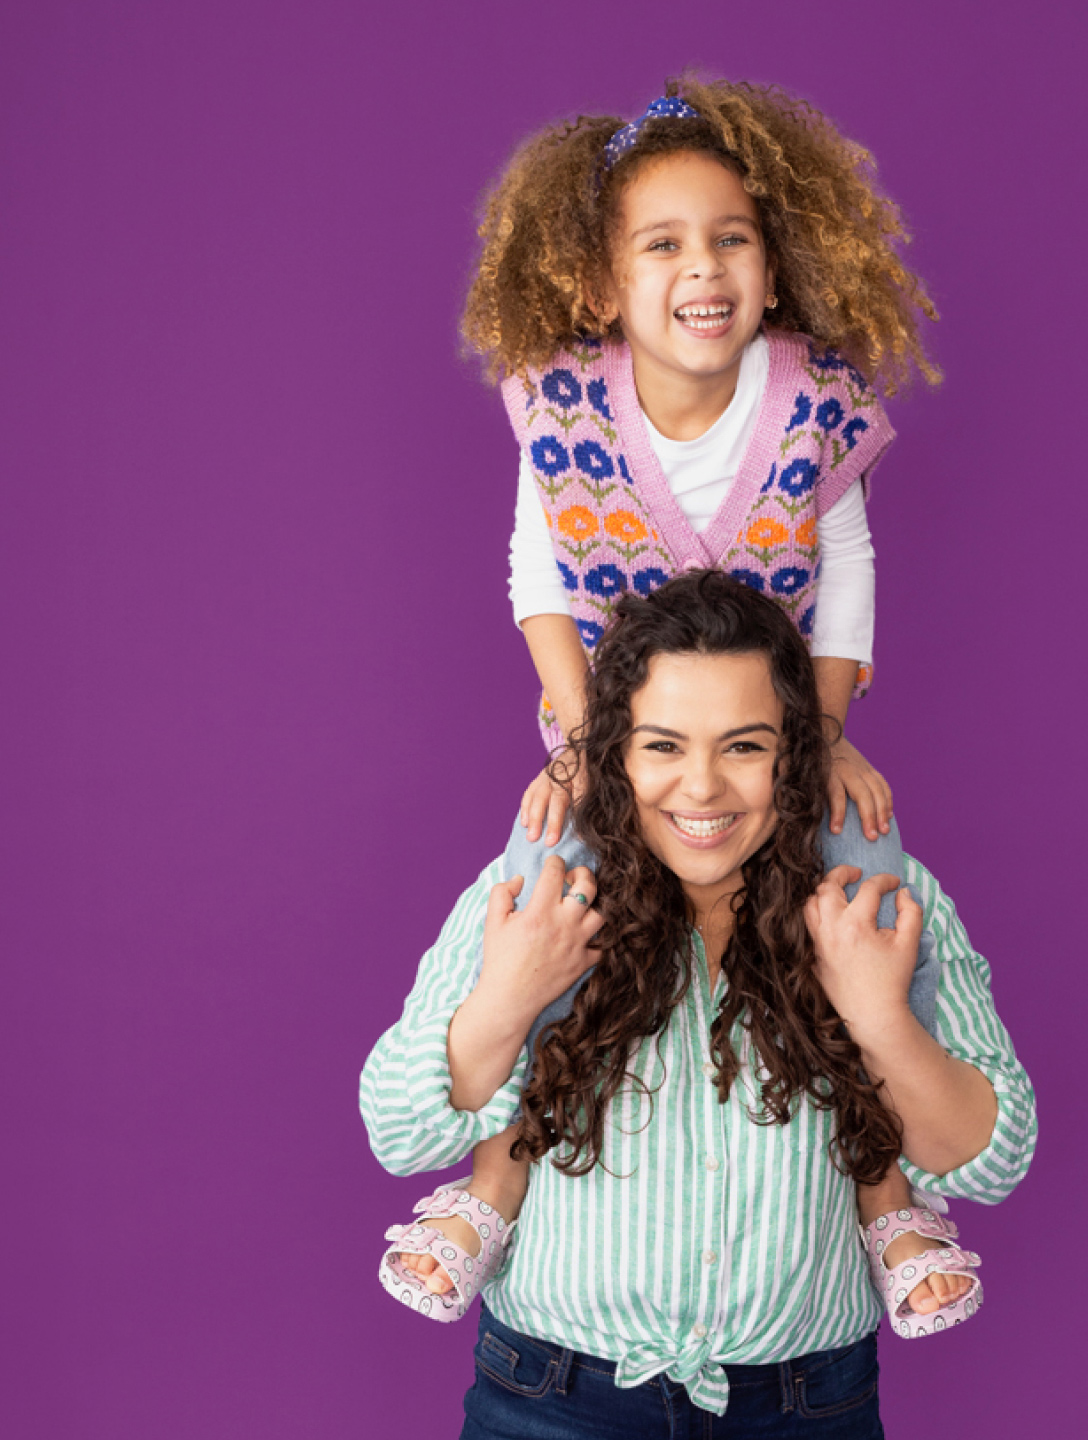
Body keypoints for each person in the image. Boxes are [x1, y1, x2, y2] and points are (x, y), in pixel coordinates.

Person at [376, 74, 986, 1338]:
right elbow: (535, 574)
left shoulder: (810, 399)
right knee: (553, 911)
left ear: (772, 264)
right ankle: (491, 1191)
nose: (701, 268)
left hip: (779, 741)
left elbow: (851, 569)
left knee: (866, 888)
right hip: (619, 745)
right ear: (601, 284)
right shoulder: (561, 408)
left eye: (732, 238)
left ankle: (889, 1200)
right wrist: (582, 741)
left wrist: (821, 735)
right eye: (661, 244)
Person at [361, 572, 1037, 1433]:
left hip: (806, 1406)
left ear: (795, 752)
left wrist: (879, 1016)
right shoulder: (531, 898)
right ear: (615, 754)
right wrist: (511, 992)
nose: (704, 788)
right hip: (553, 1399)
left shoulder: (885, 901)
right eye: (664, 746)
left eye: (745, 746)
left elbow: (992, 1157)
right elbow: (400, 1130)